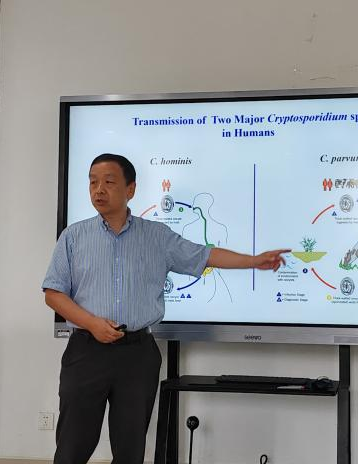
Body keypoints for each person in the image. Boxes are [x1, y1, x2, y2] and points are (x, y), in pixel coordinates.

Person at [42, 153, 289, 464]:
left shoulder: (157, 236)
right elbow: (54, 294)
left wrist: (253, 261)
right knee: (72, 448)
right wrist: (91, 323)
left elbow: (205, 255)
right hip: (86, 352)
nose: (99, 189)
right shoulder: (74, 236)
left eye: (109, 182)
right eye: (93, 182)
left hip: (137, 354)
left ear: (130, 189)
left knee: (130, 450)